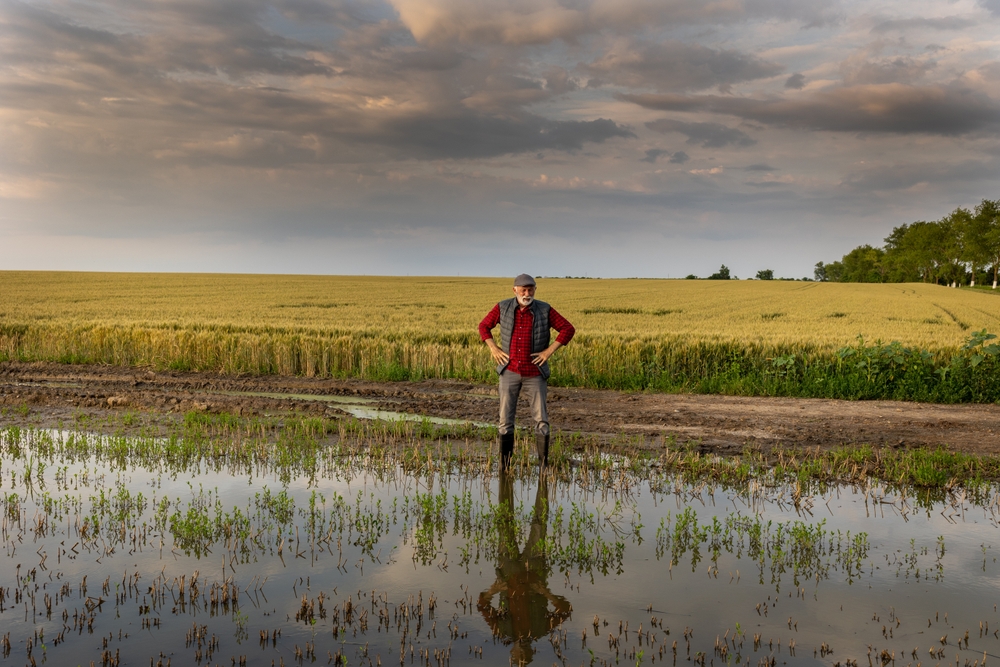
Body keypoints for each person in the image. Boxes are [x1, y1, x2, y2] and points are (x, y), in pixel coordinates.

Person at [478, 274, 575, 469]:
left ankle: (543, 466)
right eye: (523, 290)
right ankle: (505, 467)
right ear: (514, 290)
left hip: (535, 373)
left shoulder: (544, 309)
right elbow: (484, 326)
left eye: (530, 289)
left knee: (541, 420)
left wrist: (548, 352)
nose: (527, 293)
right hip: (509, 370)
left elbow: (568, 329)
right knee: (505, 421)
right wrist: (494, 348)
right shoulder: (503, 307)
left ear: (535, 290)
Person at [477, 471, 571, 664]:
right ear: (532, 653)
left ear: (511, 653)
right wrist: (546, 593)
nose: (521, 654)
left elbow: (481, 605)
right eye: (524, 658)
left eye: (517, 658)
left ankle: (505, 471)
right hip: (533, 571)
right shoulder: (540, 630)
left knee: (505, 521)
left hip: (508, 571)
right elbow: (566, 610)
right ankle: (543, 472)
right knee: (539, 523)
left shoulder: (502, 631)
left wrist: (494, 589)